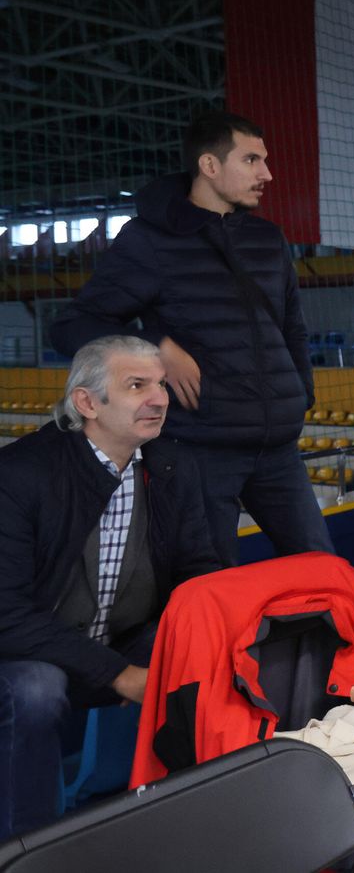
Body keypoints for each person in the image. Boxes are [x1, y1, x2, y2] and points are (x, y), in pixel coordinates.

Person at [50, 111, 332, 567]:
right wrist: (156, 349)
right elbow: (71, 326)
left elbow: (292, 328)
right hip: (200, 452)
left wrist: (301, 394)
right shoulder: (149, 240)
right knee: (212, 583)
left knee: (320, 568)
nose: (267, 174)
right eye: (252, 160)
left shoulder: (267, 238)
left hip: (277, 450)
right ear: (210, 165)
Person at [0, 335, 223, 838]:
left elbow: (198, 571)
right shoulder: (20, 474)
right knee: (36, 690)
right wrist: (118, 674)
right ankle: (25, 849)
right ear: (87, 403)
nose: (160, 398)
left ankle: (184, 823)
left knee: (204, 646)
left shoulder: (172, 465)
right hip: (30, 652)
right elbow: (7, 615)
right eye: (137, 386)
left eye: (161, 384)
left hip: (122, 640)